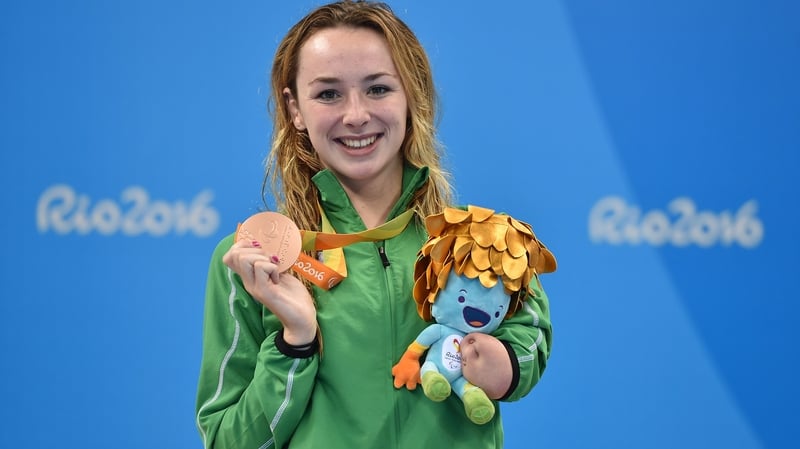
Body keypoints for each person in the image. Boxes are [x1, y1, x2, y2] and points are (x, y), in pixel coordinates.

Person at [195, 1, 553, 448]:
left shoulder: (479, 242)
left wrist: (504, 363)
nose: (356, 115)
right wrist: (295, 344)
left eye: (378, 89)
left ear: (412, 95)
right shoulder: (254, 261)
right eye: (328, 94)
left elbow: (530, 338)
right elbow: (229, 442)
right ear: (295, 108)